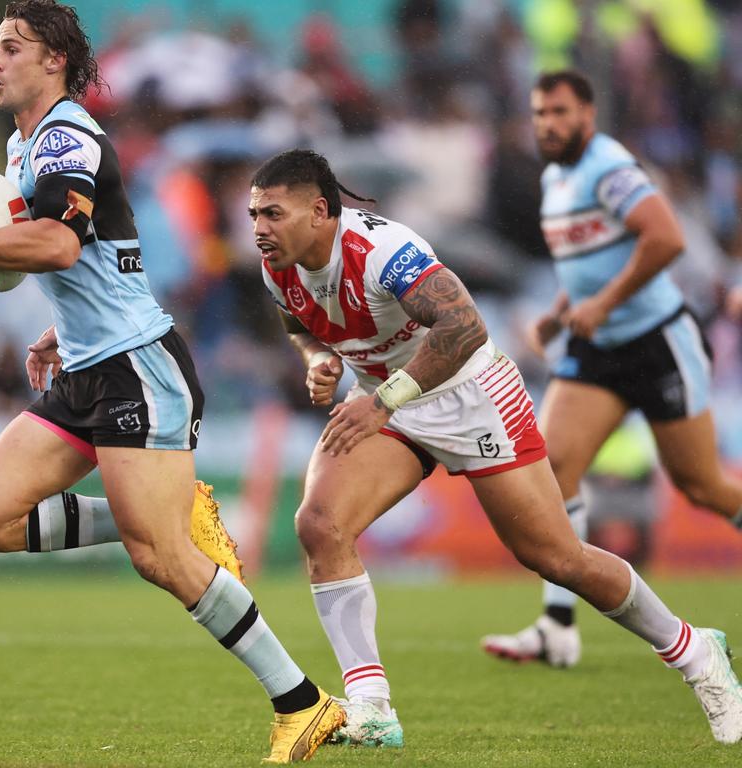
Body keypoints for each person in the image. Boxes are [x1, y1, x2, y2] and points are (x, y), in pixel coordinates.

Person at [0, 3, 342, 762]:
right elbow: (106, 252)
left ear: (53, 59)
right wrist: (68, 325)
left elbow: (56, 244)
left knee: (163, 559)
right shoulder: (27, 145)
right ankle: (166, 510)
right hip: (88, 364)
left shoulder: (65, 135)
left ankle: (304, 703)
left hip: (135, 368)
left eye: (10, 47)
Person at [248, 148, 742, 748]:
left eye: (272, 214)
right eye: (254, 215)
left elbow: (465, 327)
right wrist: (321, 360)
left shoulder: (381, 252)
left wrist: (383, 400)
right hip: (386, 399)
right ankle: (372, 708)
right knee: (320, 526)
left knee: (557, 558)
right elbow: (299, 326)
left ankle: (696, 654)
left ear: (320, 211)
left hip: (468, 394)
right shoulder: (280, 262)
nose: (258, 228)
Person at [481, 70, 742, 668]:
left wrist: (603, 304)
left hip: (655, 340)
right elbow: (591, 267)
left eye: (560, 112)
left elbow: (665, 238)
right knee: (552, 470)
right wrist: (558, 315)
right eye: (540, 113)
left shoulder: (610, 165)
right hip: (597, 348)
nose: (548, 123)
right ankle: (557, 627)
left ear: (588, 116)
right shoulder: (555, 178)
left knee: (702, 485)